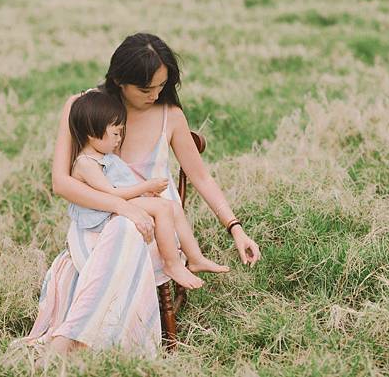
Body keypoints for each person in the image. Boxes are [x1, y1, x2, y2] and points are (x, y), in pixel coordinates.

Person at [24, 33, 261, 357]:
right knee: (122, 227)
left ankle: (73, 341)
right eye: (146, 89)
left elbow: (202, 177)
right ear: (120, 80)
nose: (155, 95)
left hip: (158, 231)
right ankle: (93, 344)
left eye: (162, 87)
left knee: (128, 229)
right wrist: (124, 207)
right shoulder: (84, 107)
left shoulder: (171, 116)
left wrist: (236, 228)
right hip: (97, 223)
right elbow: (62, 183)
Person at [67, 90, 230, 289]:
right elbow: (111, 193)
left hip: (119, 203)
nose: (119, 139)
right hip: (102, 211)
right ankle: (172, 264)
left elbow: (122, 185)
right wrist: (146, 186)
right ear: (92, 133)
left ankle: (195, 258)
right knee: (162, 208)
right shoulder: (86, 163)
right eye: (116, 133)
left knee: (173, 207)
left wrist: (144, 194)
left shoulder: (104, 156)